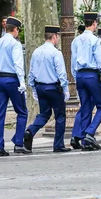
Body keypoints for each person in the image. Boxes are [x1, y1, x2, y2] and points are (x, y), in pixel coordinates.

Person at [24, 25, 71, 153]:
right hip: (53, 87)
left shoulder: (36, 51)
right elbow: (61, 73)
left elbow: (31, 72)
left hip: (40, 87)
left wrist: (33, 87)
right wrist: (65, 88)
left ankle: (30, 131)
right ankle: (58, 144)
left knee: (44, 114)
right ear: (55, 36)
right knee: (60, 116)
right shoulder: (56, 53)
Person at [70, 11, 101, 151]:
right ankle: (89, 133)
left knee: (86, 107)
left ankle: (84, 140)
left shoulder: (76, 40)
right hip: (92, 75)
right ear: (94, 23)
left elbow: (72, 62)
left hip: (80, 75)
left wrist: (75, 77)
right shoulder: (95, 40)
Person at [0, 17, 29, 156]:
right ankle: (18, 143)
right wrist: (22, 82)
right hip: (12, 79)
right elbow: (18, 64)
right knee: (22, 111)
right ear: (16, 29)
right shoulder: (15, 44)